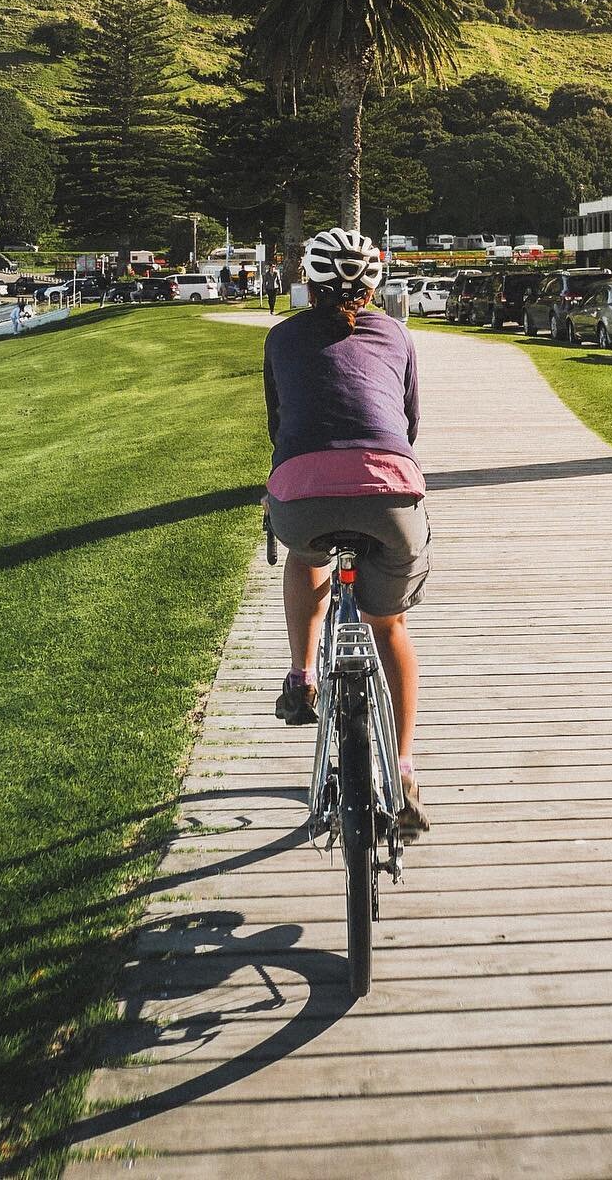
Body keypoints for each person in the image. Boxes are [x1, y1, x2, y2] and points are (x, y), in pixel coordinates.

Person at [262, 227, 431, 838]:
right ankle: (405, 771)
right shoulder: (398, 336)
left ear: (308, 283)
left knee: (305, 556)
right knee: (389, 626)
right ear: (374, 286)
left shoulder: (282, 338)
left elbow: (279, 421)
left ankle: (302, 677)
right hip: (390, 493)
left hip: (302, 493)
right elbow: (408, 423)